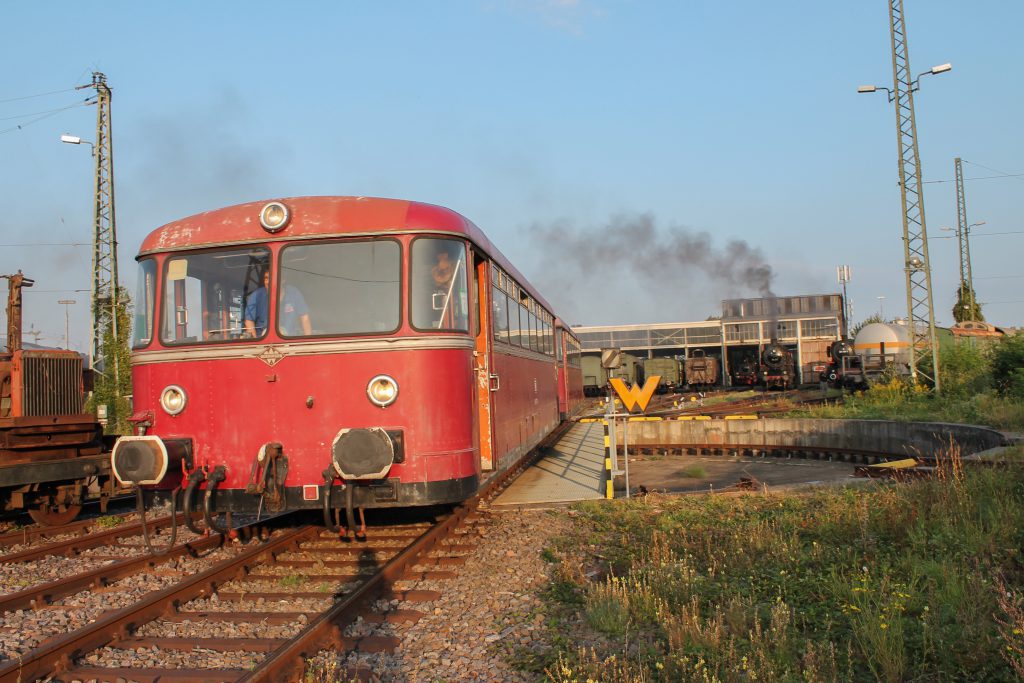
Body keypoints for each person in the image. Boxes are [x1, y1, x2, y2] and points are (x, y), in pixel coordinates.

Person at [243, 270, 312, 337]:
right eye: (266, 278)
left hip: (290, 341)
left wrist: (308, 342)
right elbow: (249, 321)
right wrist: (256, 343)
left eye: (272, 278)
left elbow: (304, 317)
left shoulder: (294, 293)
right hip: (263, 343)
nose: (268, 282)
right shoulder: (256, 295)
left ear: (283, 280)